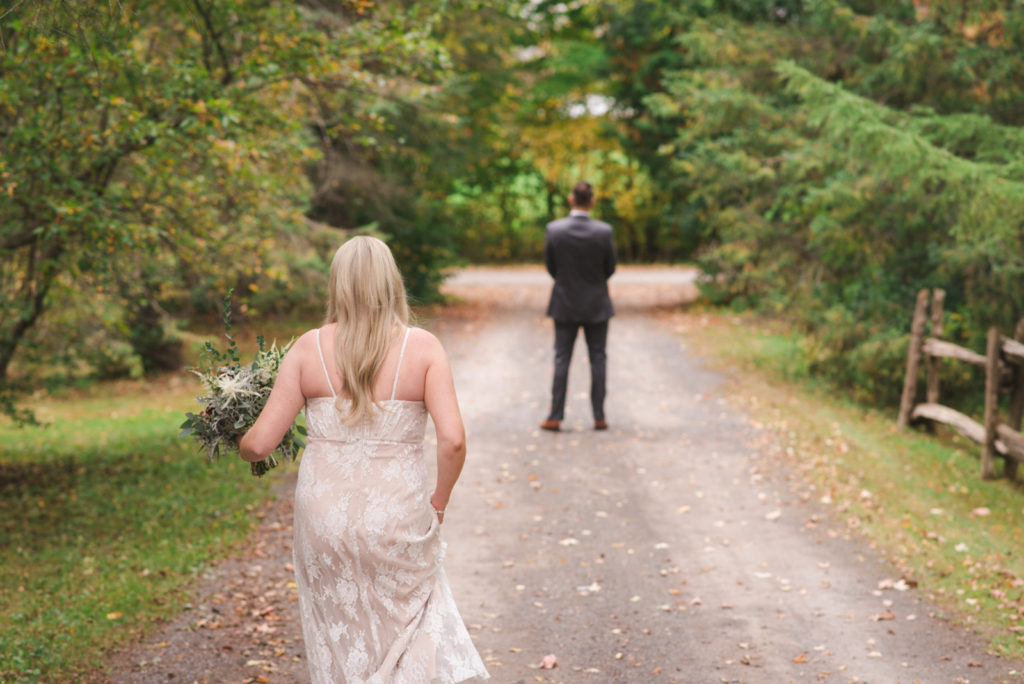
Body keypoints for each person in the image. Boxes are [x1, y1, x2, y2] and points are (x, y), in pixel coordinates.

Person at [240, 236, 489, 684]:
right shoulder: (424, 347)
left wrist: (236, 435)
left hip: (324, 522)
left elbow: (258, 445)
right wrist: (439, 502)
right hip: (398, 515)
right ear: (391, 283)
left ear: (337, 286)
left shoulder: (307, 349)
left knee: (338, 637)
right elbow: (452, 441)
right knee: (410, 626)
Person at [540, 180, 617, 432]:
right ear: (592, 202)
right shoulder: (604, 231)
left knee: (562, 358)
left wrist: (566, 283)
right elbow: (610, 268)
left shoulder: (554, 230)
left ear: (572, 200)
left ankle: (555, 416)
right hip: (597, 304)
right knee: (598, 359)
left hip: (564, 303)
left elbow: (551, 266)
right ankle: (599, 416)